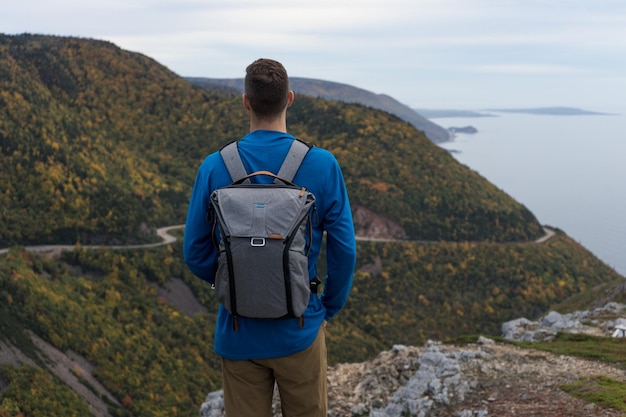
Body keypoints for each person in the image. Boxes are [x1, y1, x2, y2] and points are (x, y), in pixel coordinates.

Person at [183, 58, 357, 417]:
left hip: (238, 333)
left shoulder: (214, 167)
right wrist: (328, 307)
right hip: (300, 328)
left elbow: (194, 251)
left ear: (245, 101)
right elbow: (344, 250)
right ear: (289, 98)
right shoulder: (322, 165)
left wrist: (235, 281)